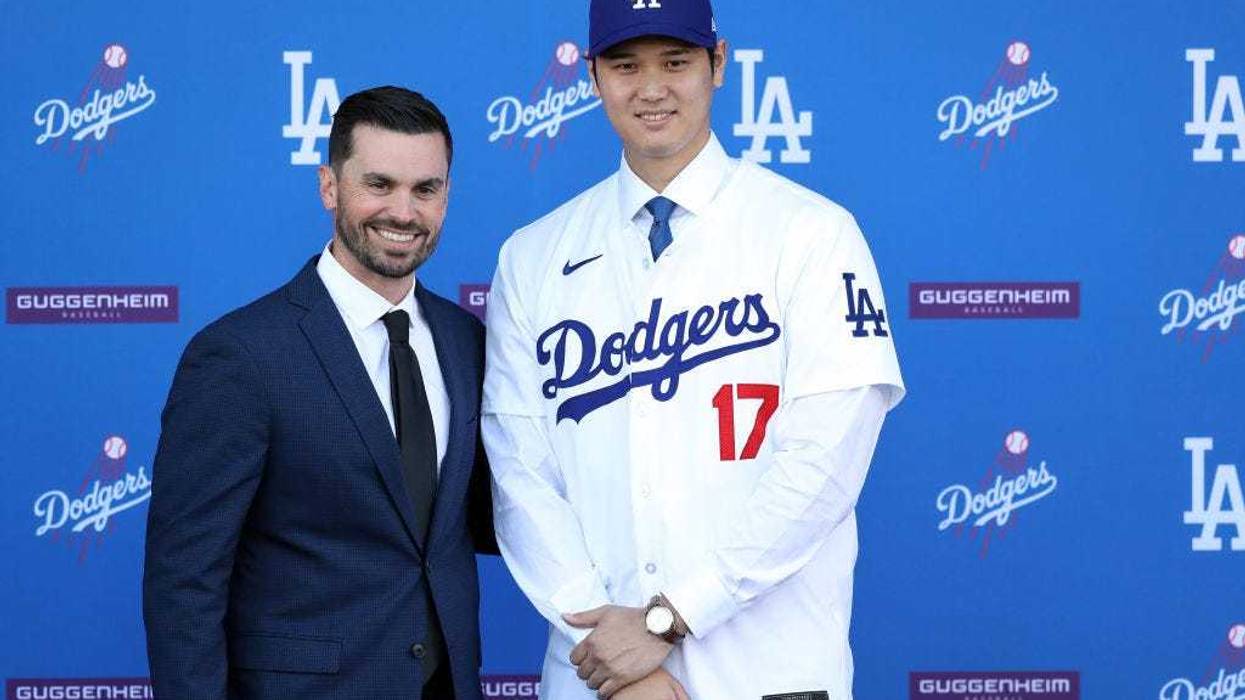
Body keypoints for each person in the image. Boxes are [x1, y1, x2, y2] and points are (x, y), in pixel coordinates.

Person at [482, 0, 905, 698]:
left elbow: (823, 464)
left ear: (718, 63)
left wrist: (670, 617)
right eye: (625, 65)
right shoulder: (532, 256)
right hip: (598, 679)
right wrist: (614, 654)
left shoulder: (812, 234)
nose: (650, 88)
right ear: (591, 76)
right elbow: (520, 476)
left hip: (766, 669)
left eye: (674, 62)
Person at [143, 86, 496, 700]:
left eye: (425, 189)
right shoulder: (240, 356)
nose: (404, 213)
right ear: (329, 186)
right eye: (379, 185)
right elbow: (184, 583)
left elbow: (485, 519)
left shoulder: (466, 340)